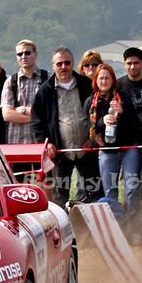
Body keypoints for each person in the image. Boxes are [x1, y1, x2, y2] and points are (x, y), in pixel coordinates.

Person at [30, 47, 98, 204]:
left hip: (86, 149)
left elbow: (96, 112)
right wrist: (46, 143)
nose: (63, 67)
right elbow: (37, 121)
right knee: (60, 195)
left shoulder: (86, 84)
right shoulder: (45, 91)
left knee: (94, 191)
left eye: (67, 63)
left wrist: (92, 137)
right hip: (60, 152)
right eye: (59, 63)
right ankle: (61, 228)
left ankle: (91, 227)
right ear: (53, 66)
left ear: (73, 64)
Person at [88, 63, 142, 222]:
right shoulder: (92, 101)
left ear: (113, 80)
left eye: (107, 77)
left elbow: (135, 124)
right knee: (110, 192)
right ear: (96, 80)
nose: (104, 81)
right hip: (106, 151)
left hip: (128, 148)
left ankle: (134, 228)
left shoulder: (123, 97)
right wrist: (101, 121)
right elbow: (88, 125)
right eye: (101, 78)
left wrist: (122, 112)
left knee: (132, 189)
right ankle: (115, 227)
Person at [115, 48, 142, 230]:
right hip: (129, 143)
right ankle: (132, 229)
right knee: (131, 190)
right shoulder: (119, 85)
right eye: (129, 63)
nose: (132, 66)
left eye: (136, 63)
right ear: (124, 65)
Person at [1, 39, 51, 145]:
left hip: (42, 142)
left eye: (27, 53)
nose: (23, 56)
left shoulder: (48, 78)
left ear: (35, 54)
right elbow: (7, 115)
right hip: (16, 142)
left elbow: (51, 111)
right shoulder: (10, 81)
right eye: (20, 54)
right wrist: (36, 118)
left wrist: (22, 110)